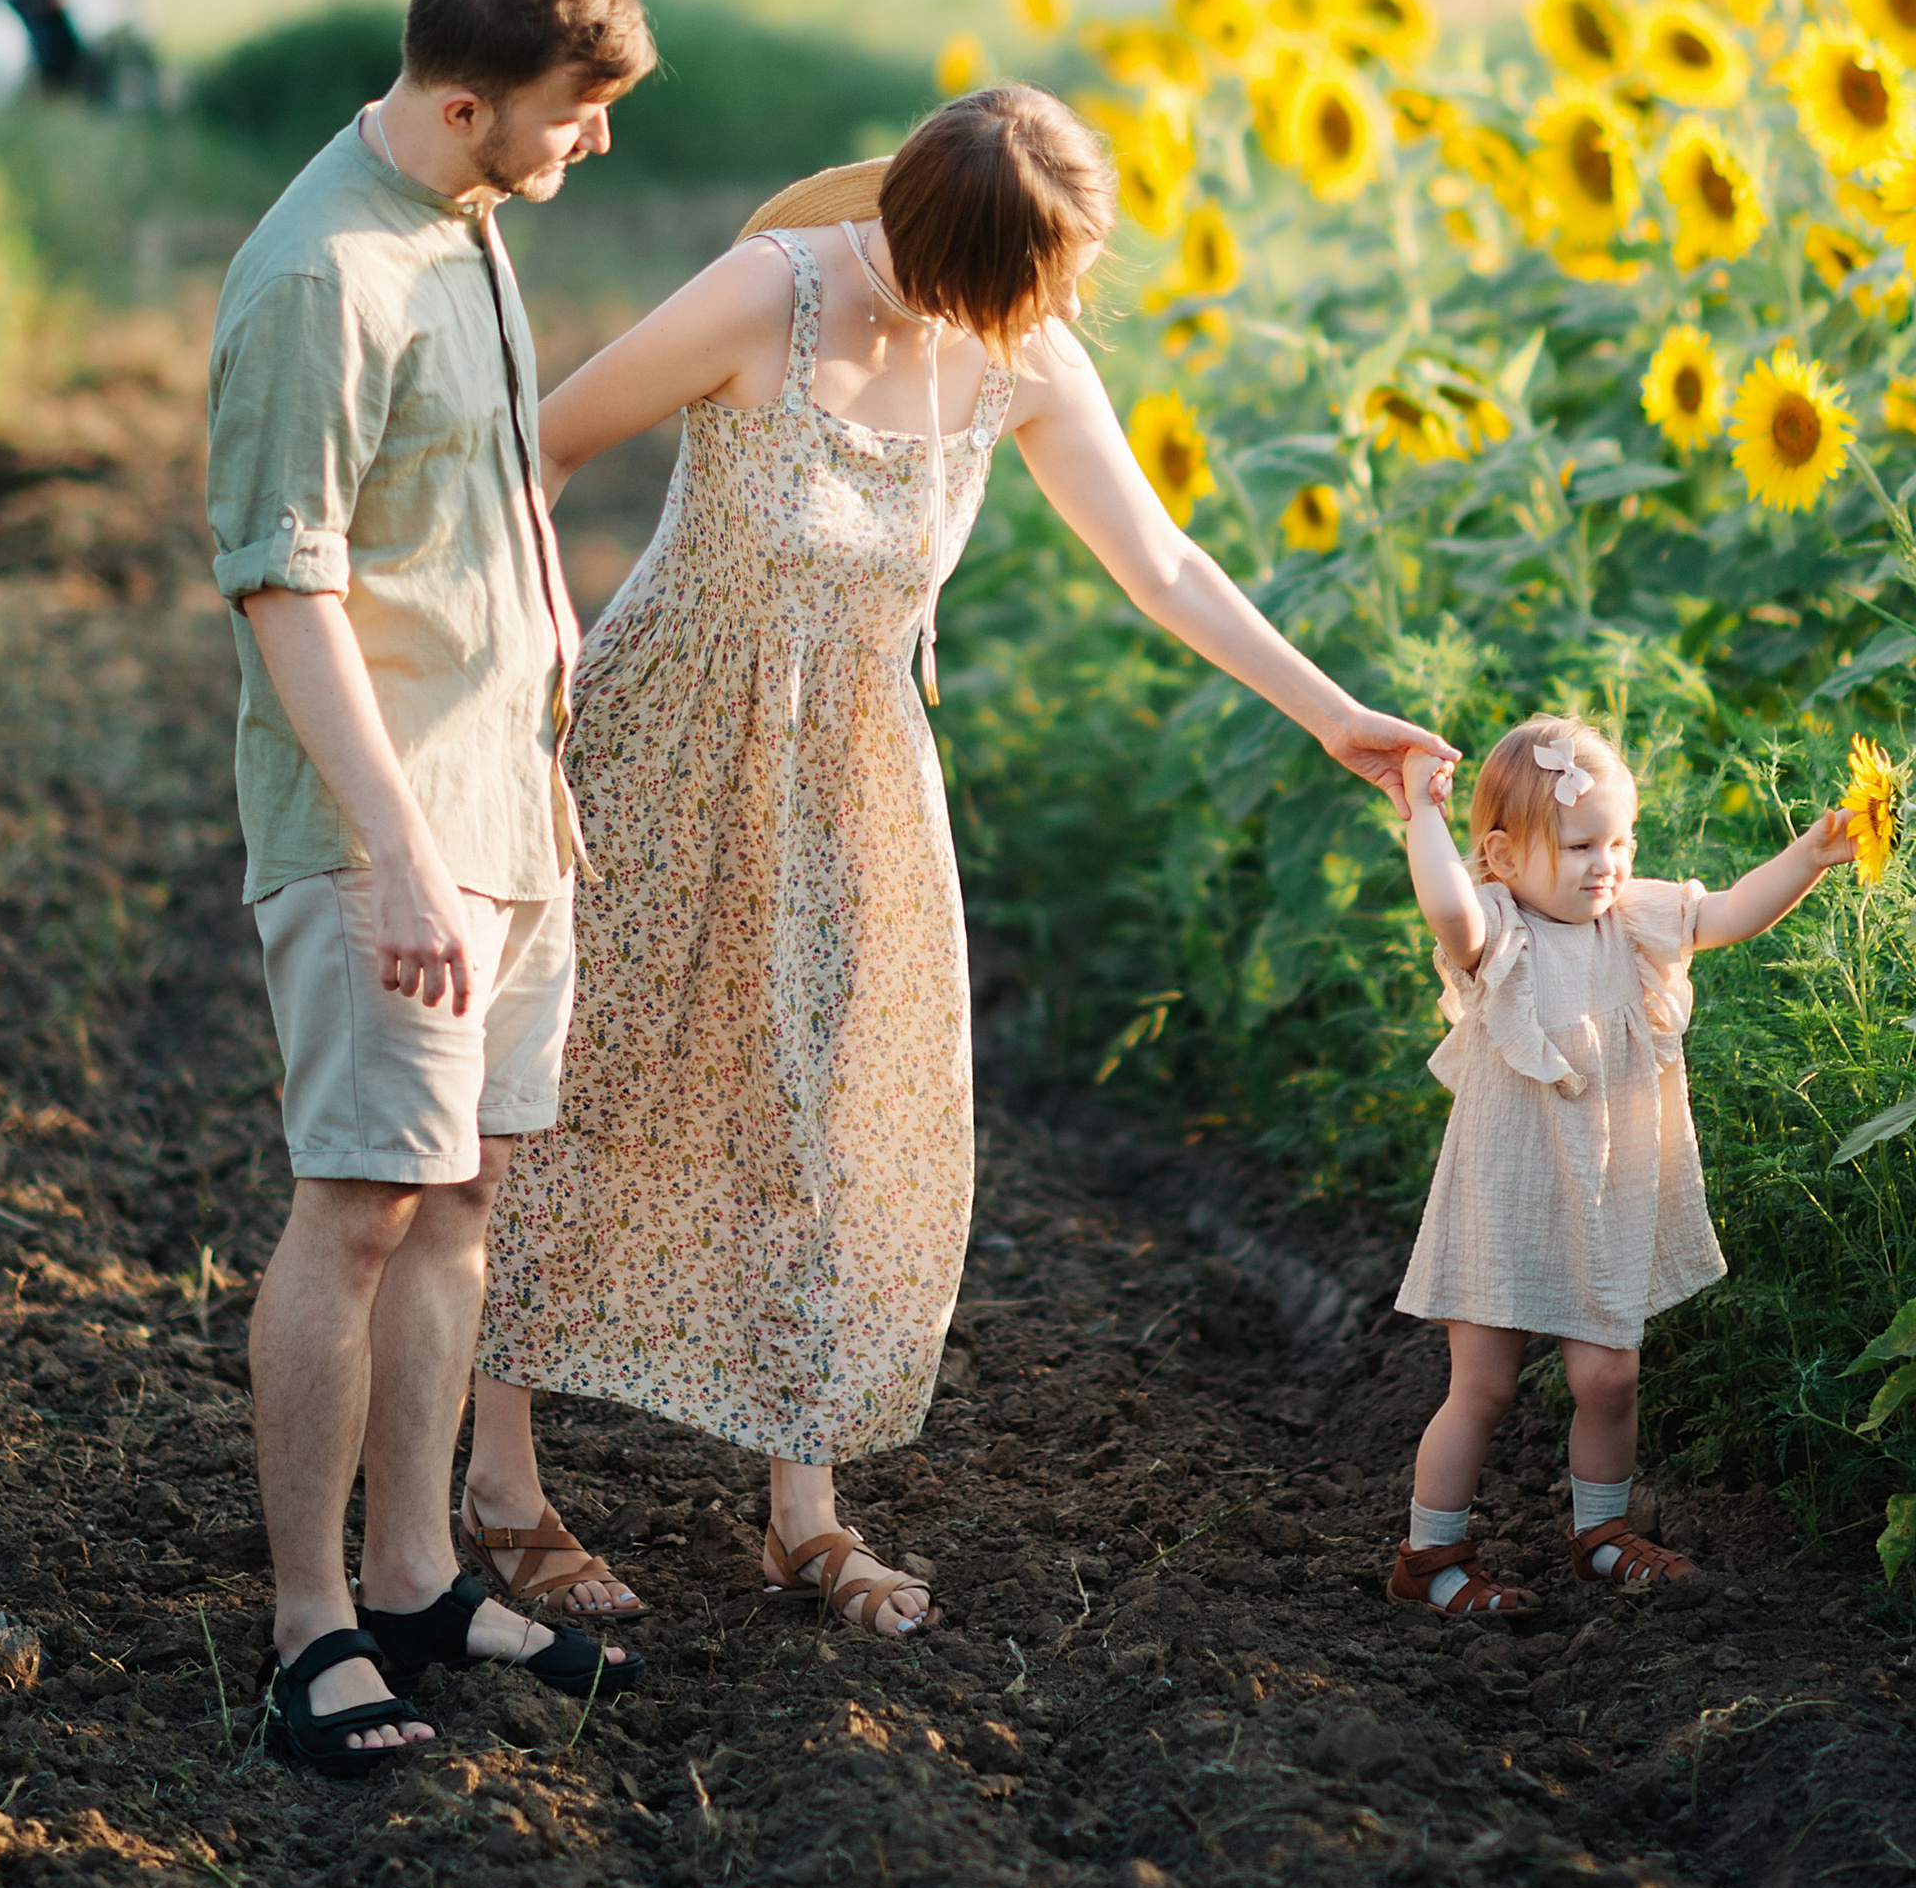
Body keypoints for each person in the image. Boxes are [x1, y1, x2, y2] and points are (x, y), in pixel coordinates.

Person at [468, 83, 1458, 1637]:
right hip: (665, 739)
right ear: (943, 241)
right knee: (584, 1083)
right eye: (1029, 278)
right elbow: (538, 453)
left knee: (832, 1114)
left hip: (858, 778)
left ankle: (804, 1509)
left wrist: (1334, 716)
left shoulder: (1023, 354)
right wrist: (528, 680)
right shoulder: (769, 293)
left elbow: (1165, 560)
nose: (1054, 311)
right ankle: (503, 1481)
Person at [205, 0, 655, 1775]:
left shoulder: (468, 222)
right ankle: (312, 1628)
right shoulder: (320, 275)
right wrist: (393, 855)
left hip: (503, 805)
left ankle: (413, 1572)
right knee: (361, 1204)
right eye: (572, 114)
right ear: (465, 101)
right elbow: (285, 586)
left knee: (464, 1198)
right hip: (384, 831)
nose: (595, 145)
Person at [1385, 711, 1852, 1618]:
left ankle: (1599, 1533)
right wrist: (1421, 813)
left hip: (1604, 1187)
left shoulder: (1631, 922)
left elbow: (1725, 914)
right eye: (1581, 842)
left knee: (1610, 1376)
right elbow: (1445, 905)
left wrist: (1807, 856)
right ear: (1506, 856)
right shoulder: (1499, 930)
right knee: (1481, 1385)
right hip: (1506, 1193)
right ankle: (1429, 1555)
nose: (1609, 861)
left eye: (1622, 840)